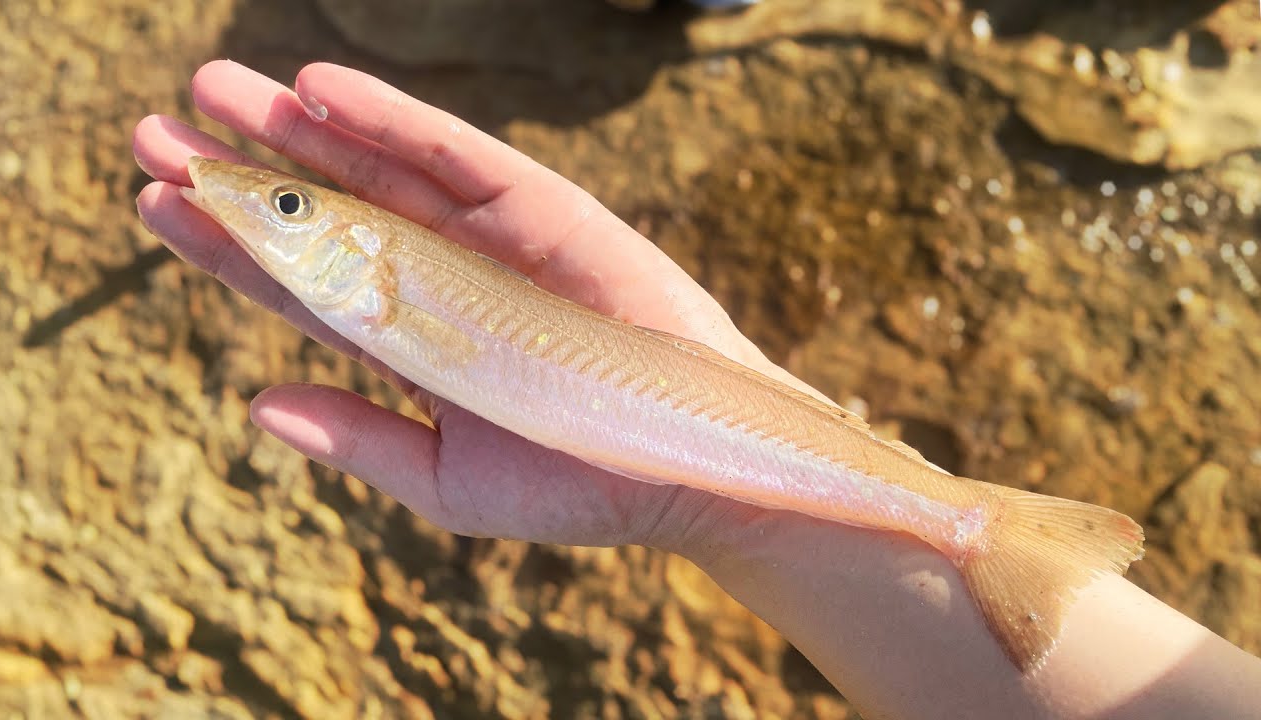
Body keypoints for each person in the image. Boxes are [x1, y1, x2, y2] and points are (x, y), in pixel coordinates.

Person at [133, 61, 1261, 719]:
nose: (278, 214)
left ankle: (978, 523)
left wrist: (960, 520)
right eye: (292, 206)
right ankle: (967, 518)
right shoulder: (365, 287)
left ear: (355, 253)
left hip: (854, 474)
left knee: (961, 516)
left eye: (294, 212)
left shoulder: (375, 280)